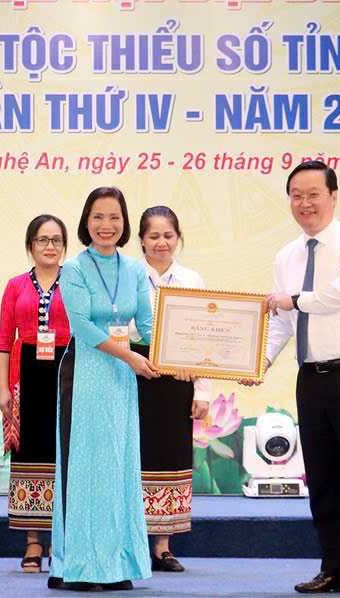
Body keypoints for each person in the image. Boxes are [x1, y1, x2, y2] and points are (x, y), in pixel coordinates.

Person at [256, 161, 340, 597]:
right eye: (296, 195)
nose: (305, 203)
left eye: (313, 194)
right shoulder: (286, 256)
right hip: (312, 378)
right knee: (323, 481)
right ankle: (335, 570)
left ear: (333, 196)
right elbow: (282, 321)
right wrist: (259, 362)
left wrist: (293, 299)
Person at [49, 186, 159, 592]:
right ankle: (77, 566)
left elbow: (146, 326)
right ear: (86, 221)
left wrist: (185, 357)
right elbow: (82, 327)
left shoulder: (135, 270)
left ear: (125, 223)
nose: (106, 225)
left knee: (118, 467)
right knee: (85, 469)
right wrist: (130, 357)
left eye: (114, 217)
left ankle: (115, 564)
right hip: (85, 374)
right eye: (98, 216)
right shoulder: (74, 269)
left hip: (120, 381)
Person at [129, 206, 211, 571]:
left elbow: (205, 339)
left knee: (171, 457)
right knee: (134, 456)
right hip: (134, 373)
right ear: (141, 240)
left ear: (178, 238)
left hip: (179, 379)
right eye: (153, 236)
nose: (161, 243)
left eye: (168, 235)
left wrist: (203, 391)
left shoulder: (191, 279)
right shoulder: (128, 275)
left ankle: (162, 546)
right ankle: (132, 542)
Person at [0, 215, 71, 571]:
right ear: (30, 246)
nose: (50, 246)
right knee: (28, 453)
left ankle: (60, 539)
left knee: (63, 452)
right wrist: (3, 389)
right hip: (25, 376)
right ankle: (33, 542)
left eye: (56, 240)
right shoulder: (15, 285)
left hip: (67, 373)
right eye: (42, 240)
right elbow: (2, 341)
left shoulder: (76, 282)